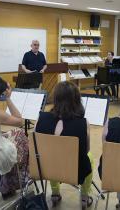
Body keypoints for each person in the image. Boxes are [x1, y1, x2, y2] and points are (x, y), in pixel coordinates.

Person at [35, 81, 93, 209]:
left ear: (56, 98)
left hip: (46, 168)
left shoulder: (41, 118)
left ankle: (55, 194)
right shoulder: (83, 123)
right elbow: (85, 151)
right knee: (90, 157)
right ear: (77, 100)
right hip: (74, 171)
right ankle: (84, 197)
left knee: (51, 154)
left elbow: (36, 147)